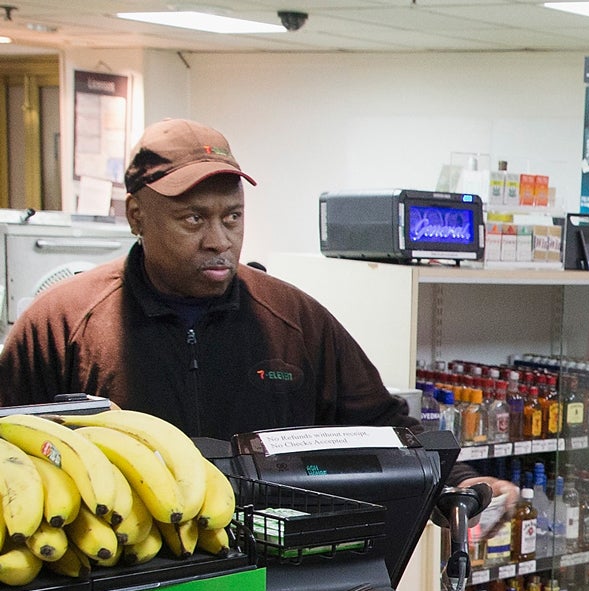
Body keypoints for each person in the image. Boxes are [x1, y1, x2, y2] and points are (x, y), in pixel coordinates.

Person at [0, 119, 514, 506]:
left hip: (269, 573)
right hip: (120, 575)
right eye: (193, 219)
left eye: (233, 217)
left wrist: (458, 483)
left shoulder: (292, 317)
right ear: (137, 215)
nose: (218, 241)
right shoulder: (63, 324)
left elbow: (382, 426)